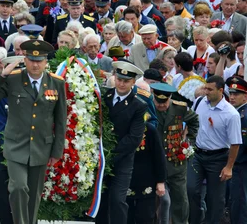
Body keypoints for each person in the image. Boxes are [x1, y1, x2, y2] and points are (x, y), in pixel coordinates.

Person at [0, 40, 67, 224]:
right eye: (31, 60)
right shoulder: (12, 79)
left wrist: (56, 151)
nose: (35, 64)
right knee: (18, 187)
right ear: (25, 60)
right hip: (16, 145)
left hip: (41, 147)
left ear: (46, 62)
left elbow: (60, 120)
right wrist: (1, 75)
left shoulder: (56, 83)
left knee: (34, 194)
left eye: (40, 60)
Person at [97, 61, 148, 224]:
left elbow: (134, 138)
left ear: (133, 82)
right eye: (119, 79)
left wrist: (111, 153)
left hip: (122, 159)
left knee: (118, 199)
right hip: (100, 157)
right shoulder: (105, 96)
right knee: (100, 198)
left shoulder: (139, 105)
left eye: (126, 81)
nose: (121, 83)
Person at [188, 75, 242, 224]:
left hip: (218, 158)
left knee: (216, 198)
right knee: (190, 189)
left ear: (220, 90)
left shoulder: (231, 114)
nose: (206, 92)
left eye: (210, 89)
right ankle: (196, 220)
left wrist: (229, 167)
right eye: (205, 88)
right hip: (197, 154)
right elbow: (191, 121)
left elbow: (235, 143)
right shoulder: (199, 102)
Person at [152, 81, 199, 224]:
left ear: (170, 98)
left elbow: (194, 121)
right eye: (158, 101)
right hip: (154, 161)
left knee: (180, 198)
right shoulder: (148, 107)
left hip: (176, 161)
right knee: (151, 199)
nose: (160, 105)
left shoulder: (180, 108)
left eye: (164, 102)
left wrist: (188, 142)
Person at [227, 76, 247, 224]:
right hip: (234, 164)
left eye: (237, 94)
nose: (232, 97)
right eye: (231, 93)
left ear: (245, 96)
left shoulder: (244, 116)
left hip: (241, 164)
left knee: (239, 200)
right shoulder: (233, 112)